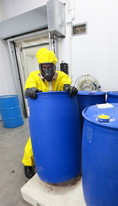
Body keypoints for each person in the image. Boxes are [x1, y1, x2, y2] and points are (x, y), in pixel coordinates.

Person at [22, 48, 78, 178]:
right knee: (35, 139)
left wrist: (68, 87)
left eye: (49, 67)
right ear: (40, 67)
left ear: (54, 67)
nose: (47, 71)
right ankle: (27, 163)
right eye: (44, 67)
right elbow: (28, 86)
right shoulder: (33, 76)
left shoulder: (61, 76)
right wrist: (30, 90)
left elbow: (66, 82)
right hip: (40, 114)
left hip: (58, 115)